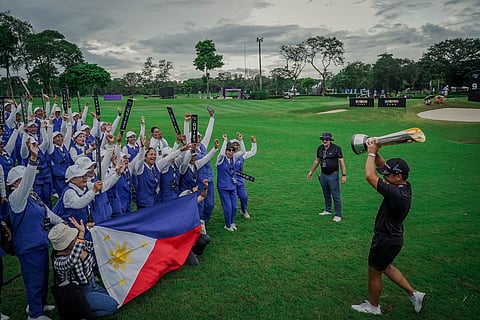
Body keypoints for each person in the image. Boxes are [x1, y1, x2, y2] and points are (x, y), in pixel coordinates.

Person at [351, 139, 426, 315]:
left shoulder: (395, 194)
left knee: (374, 272)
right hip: (395, 238)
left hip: (384, 239)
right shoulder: (404, 186)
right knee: (386, 267)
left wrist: (370, 153)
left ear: (398, 177)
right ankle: (415, 294)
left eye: (389, 175)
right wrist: (376, 149)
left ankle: (373, 307)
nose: (385, 176)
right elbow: (384, 167)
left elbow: (370, 176)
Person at [7, 140, 64, 320]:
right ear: (16, 183)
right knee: (33, 280)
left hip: (40, 243)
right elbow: (27, 182)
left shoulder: (32, 195)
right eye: (24, 180)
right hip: (28, 246)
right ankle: (34, 314)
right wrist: (33, 159)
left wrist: (63, 224)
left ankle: (38, 304)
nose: (29, 182)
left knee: (43, 275)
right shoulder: (16, 198)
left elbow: (47, 213)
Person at [48, 217, 118, 318]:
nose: (76, 238)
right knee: (113, 306)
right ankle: (79, 314)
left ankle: (81, 311)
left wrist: (94, 231)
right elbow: (72, 260)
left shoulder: (77, 245)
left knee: (115, 297)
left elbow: (95, 246)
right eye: (73, 238)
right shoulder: (59, 261)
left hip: (92, 284)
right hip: (78, 292)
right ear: (66, 244)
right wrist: (81, 234)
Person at [307, 132, 346, 222]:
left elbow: (341, 162)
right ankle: (328, 210)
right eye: (323, 139)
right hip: (323, 175)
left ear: (330, 140)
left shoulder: (337, 148)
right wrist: (311, 172)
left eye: (326, 139)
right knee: (326, 194)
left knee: (335, 195)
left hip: (333, 175)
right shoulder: (320, 148)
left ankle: (338, 215)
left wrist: (344, 175)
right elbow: (317, 161)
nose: (324, 141)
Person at [216, 134, 245, 231]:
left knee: (235, 207)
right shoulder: (220, 159)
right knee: (227, 207)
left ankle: (232, 222)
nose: (231, 152)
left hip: (232, 185)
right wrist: (225, 141)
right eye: (229, 150)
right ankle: (227, 225)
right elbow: (221, 153)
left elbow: (243, 152)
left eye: (232, 150)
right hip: (223, 187)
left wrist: (241, 140)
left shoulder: (233, 158)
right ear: (225, 151)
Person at [231, 135, 257, 219]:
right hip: (230, 180)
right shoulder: (228, 155)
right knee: (233, 199)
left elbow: (252, 152)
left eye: (237, 145)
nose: (235, 146)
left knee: (244, 197)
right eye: (233, 145)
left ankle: (243, 210)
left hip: (240, 179)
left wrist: (254, 143)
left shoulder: (242, 155)